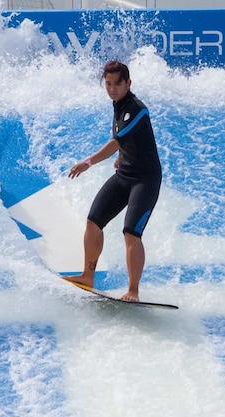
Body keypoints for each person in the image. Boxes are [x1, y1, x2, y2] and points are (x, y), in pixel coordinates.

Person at [66, 60, 163, 303]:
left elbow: (115, 142)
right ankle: (88, 276)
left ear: (128, 83)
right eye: (108, 84)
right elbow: (130, 138)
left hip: (145, 180)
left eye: (117, 84)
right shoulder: (118, 105)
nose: (112, 88)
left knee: (131, 232)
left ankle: (133, 291)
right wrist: (123, 157)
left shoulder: (137, 108)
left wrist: (87, 163)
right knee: (93, 222)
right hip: (124, 176)